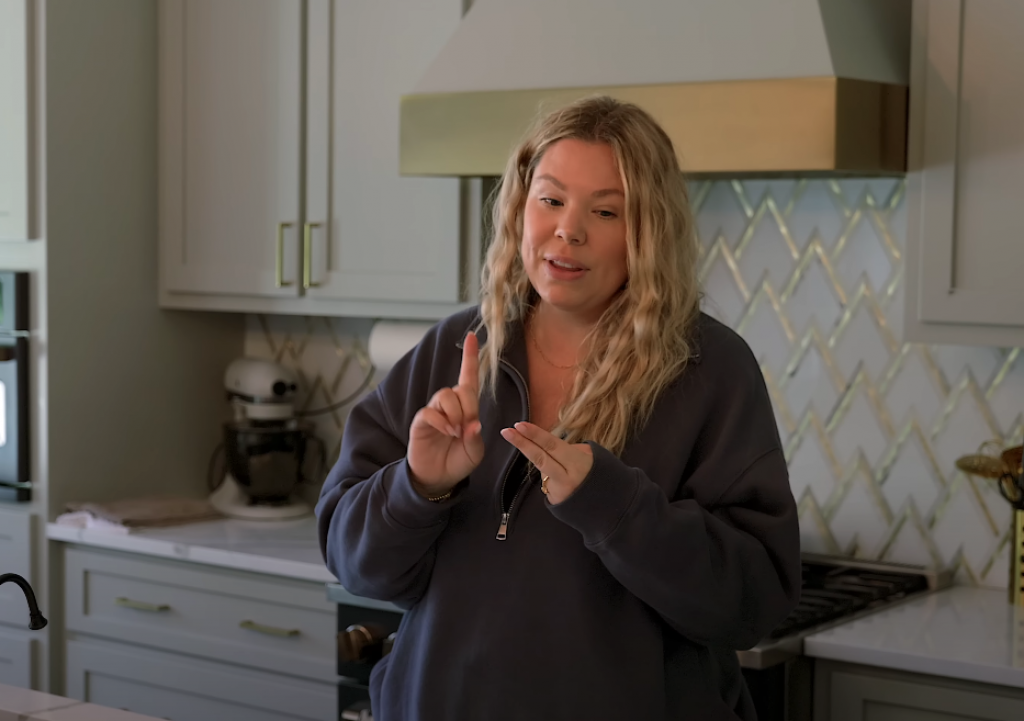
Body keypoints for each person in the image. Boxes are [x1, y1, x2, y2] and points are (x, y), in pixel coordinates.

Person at [316, 96, 801, 721]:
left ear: (647, 231)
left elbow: (752, 605)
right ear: (521, 207)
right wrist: (417, 487)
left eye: (605, 211)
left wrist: (615, 506)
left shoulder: (711, 370)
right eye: (550, 200)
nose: (569, 230)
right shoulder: (454, 349)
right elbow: (353, 563)